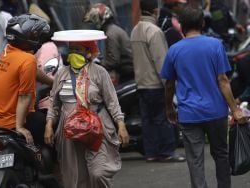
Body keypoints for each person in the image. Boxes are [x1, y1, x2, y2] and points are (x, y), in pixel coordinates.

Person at [161, 5, 246, 188]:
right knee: (221, 154)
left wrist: (169, 108)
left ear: (181, 25)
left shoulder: (174, 50)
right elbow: (223, 80)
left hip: (189, 114)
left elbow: (169, 85)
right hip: (216, 112)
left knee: (195, 159)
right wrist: (235, 109)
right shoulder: (215, 45)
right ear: (202, 23)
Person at [44, 30, 130, 188]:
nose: (74, 53)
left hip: (96, 129)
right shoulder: (61, 74)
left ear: (88, 52)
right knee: (76, 176)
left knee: (98, 173)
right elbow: (54, 104)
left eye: (78, 49)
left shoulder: (99, 72)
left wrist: (121, 125)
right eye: (72, 49)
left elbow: (112, 101)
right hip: (69, 131)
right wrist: (49, 126)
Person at [130, 0, 185, 163]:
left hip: (141, 83)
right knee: (163, 118)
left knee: (148, 120)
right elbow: (161, 61)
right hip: (155, 84)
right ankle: (167, 151)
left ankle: (151, 153)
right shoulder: (154, 31)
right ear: (156, 11)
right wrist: (169, 85)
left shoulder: (135, 31)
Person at [0, 14, 51, 145]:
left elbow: (34, 71)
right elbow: (25, 96)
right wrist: (19, 127)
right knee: (49, 123)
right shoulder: (28, 60)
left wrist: (54, 82)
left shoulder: (7, 52)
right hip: (11, 122)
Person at [83, 3, 134, 85]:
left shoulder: (111, 33)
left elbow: (113, 60)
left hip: (128, 74)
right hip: (126, 73)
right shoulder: (113, 30)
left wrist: (98, 64)